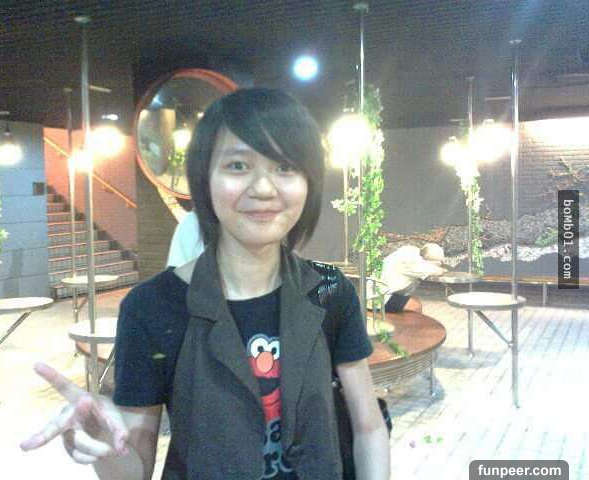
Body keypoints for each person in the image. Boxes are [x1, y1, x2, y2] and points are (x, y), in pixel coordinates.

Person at [20, 88, 391, 479]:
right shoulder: (152, 307)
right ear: (205, 179)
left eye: (285, 167)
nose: (264, 188)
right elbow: (132, 471)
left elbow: (368, 428)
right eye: (238, 165)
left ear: (308, 182)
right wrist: (103, 441)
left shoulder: (329, 291)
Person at [369, 243, 447, 314]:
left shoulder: (409, 251)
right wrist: (440, 266)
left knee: (414, 300)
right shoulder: (413, 263)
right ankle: (410, 325)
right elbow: (439, 271)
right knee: (415, 306)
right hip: (375, 298)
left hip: (374, 291)